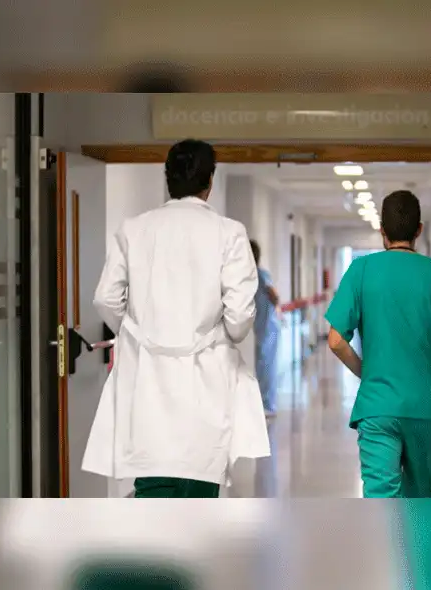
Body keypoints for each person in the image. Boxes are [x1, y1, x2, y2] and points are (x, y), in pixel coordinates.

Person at [82, 138, 270, 498]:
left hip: (147, 383)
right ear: (209, 181)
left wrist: (138, 332)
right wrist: (222, 335)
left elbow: (105, 298)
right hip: (207, 383)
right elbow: (240, 316)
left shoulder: (133, 229)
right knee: (201, 482)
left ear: (167, 178)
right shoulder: (229, 233)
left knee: (152, 484)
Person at [324, 190, 431, 498]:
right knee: (419, 499)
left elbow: (336, 341)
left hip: (377, 405)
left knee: (381, 499)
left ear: (382, 230)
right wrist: (429, 381)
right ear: (419, 229)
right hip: (424, 407)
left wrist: (367, 374)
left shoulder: (361, 271)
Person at [249, 240, 281, 417]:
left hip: (268, 326)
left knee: (266, 364)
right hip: (261, 327)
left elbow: (274, 294)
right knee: (262, 364)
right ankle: (264, 402)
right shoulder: (250, 276)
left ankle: (268, 404)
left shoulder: (260, 274)